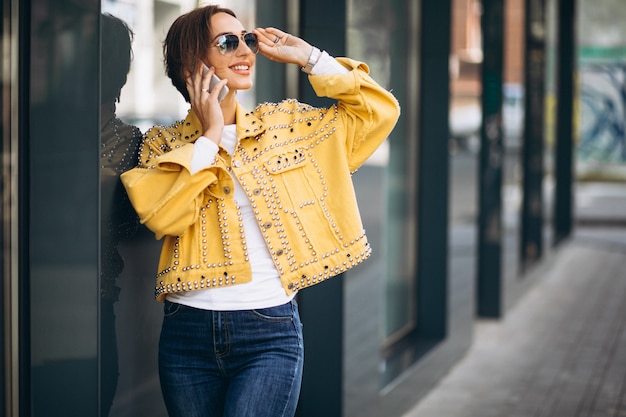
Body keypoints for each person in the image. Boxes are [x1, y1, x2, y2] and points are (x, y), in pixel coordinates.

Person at [120, 4, 400, 417]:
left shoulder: (287, 126)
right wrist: (211, 136)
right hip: (186, 335)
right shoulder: (162, 147)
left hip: (269, 332)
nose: (246, 51)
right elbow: (164, 216)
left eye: (247, 40)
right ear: (192, 63)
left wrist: (310, 58)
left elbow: (378, 111)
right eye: (229, 42)